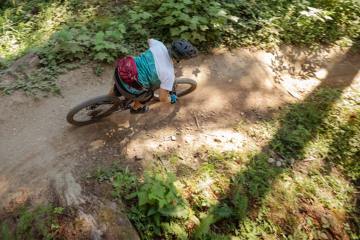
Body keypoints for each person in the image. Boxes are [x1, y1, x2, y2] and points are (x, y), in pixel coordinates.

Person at [109, 39, 198, 114]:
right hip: (128, 89)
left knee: (121, 83)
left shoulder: (158, 45)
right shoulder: (168, 74)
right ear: (180, 58)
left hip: (119, 72)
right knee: (148, 96)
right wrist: (171, 98)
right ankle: (136, 109)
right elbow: (162, 98)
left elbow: (149, 40)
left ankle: (110, 97)